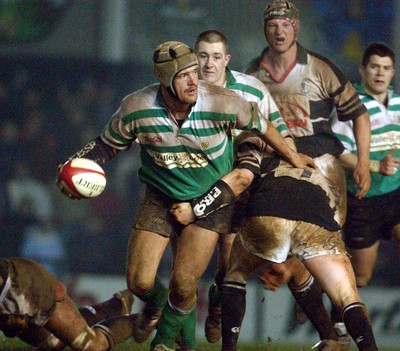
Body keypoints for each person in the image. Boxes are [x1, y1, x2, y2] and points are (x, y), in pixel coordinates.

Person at [56, 40, 315, 351]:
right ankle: (157, 304)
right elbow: (106, 145)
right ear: (165, 81)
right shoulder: (136, 107)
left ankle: (165, 343)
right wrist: (72, 167)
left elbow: (262, 125)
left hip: (210, 198)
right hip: (160, 195)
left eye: (195, 73)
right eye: (184, 76)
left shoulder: (223, 101)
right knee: (139, 282)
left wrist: (293, 155)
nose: (194, 81)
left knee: (184, 284)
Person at [244, 0, 372, 346]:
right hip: (275, 167)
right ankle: (330, 331)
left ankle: (334, 325)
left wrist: (362, 162)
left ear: (296, 28)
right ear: (265, 29)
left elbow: (358, 113)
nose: (279, 30)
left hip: (323, 167)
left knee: (317, 249)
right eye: (273, 24)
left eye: (286, 24)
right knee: (293, 255)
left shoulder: (319, 68)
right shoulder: (252, 75)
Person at [193, 29, 294, 344]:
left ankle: (218, 303)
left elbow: (278, 131)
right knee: (186, 266)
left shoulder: (252, 89)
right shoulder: (184, 88)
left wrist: (290, 157)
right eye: (203, 55)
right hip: (196, 181)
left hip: (239, 182)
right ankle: (173, 328)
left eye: (216, 56)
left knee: (227, 258)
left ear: (227, 58)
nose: (209, 63)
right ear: (194, 57)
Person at [331, 42, 400, 321]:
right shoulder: (351, 107)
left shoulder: (398, 103)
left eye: (385, 68)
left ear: (393, 72)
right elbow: (338, 151)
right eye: (374, 67)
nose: (380, 73)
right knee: (360, 276)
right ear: (362, 70)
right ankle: (334, 320)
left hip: (396, 193)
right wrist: (374, 166)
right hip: (364, 198)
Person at [0, 257, 137, 350]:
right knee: (53, 342)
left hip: (20, 287)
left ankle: (149, 317)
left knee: (91, 346)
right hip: (11, 293)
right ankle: (115, 306)